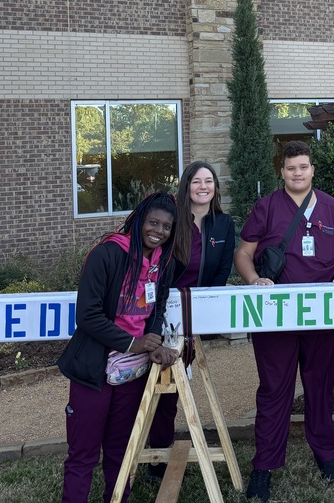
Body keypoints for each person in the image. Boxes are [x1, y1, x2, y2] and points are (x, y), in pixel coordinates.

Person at [235, 140, 334, 502]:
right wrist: (254, 280)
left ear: (312, 170)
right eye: (291, 168)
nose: (298, 173)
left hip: (322, 313)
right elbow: (244, 253)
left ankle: (326, 454)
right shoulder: (267, 207)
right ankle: (264, 465)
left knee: (320, 385)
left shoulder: (333, 208)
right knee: (275, 389)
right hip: (276, 315)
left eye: (303, 167)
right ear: (282, 172)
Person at [58, 191, 181, 503]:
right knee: (83, 453)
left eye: (167, 227)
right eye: (154, 222)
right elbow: (87, 315)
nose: (159, 231)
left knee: (121, 448)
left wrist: (152, 343)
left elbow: (157, 309)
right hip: (94, 369)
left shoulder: (162, 262)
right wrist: (133, 342)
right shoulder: (107, 254)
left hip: (131, 371)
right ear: (139, 220)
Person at [146, 161, 236, 478]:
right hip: (165, 313)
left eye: (208, 181)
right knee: (163, 385)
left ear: (215, 187)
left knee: (185, 381)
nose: (202, 186)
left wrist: (204, 311)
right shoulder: (173, 222)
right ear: (187, 186)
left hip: (196, 313)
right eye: (196, 180)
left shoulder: (224, 224)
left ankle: (164, 448)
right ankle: (155, 457)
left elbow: (223, 271)